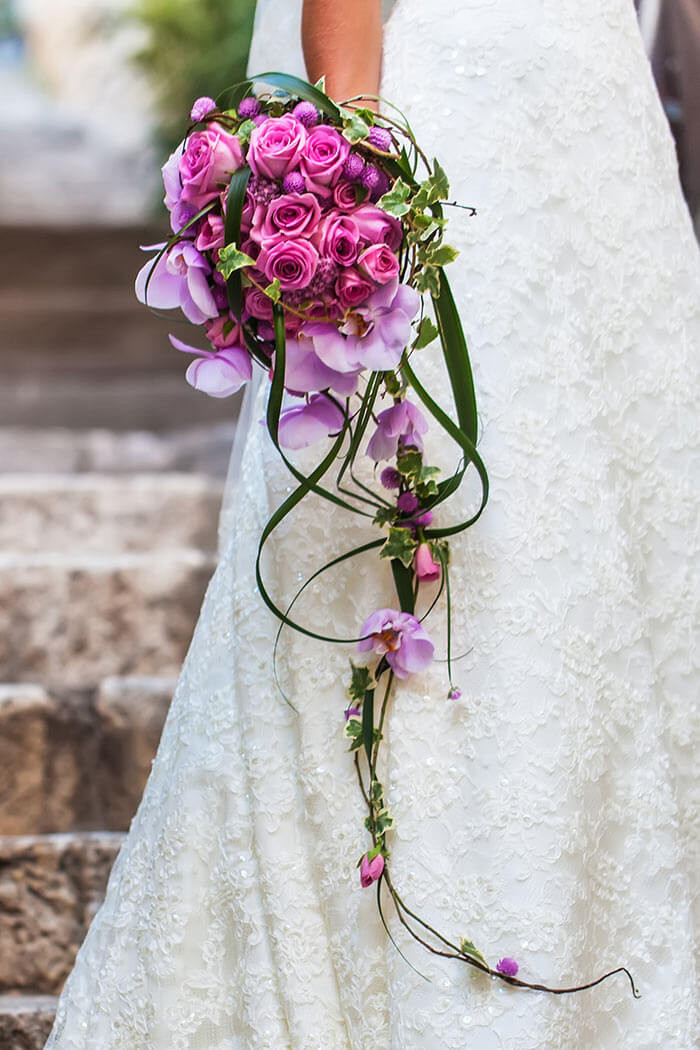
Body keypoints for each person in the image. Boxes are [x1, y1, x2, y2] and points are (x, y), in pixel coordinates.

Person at [45, 1, 698, 1047]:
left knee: (615, 538)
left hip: (598, 150)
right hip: (463, 140)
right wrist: (343, 183)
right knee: (472, 537)